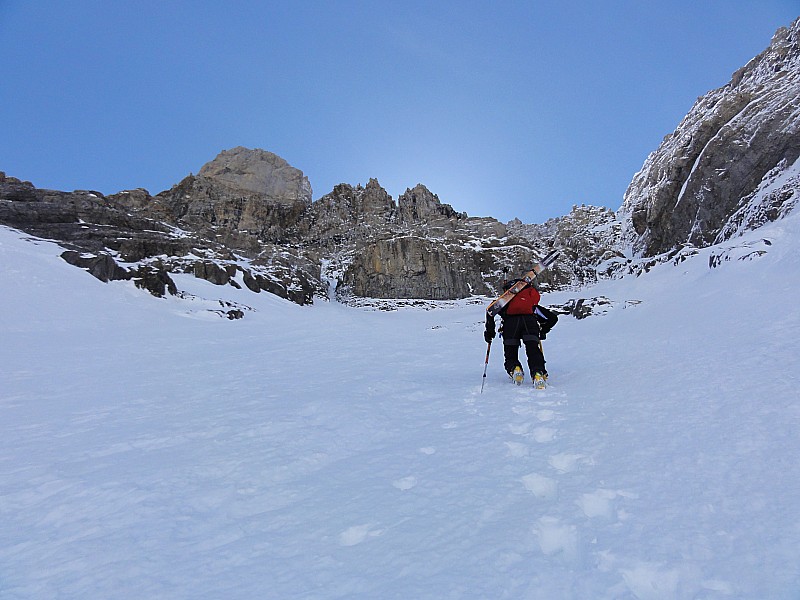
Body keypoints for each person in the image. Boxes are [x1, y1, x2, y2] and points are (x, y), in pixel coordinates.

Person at [484, 279, 558, 386]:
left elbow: (490, 311)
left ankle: (515, 369)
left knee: (510, 353)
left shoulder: (504, 303)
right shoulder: (532, 306)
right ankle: (538, 373)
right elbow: (552, 318)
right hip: (530, 324)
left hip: (510, 325)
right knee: (533, 350)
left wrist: (489, 333)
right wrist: (543, 331)